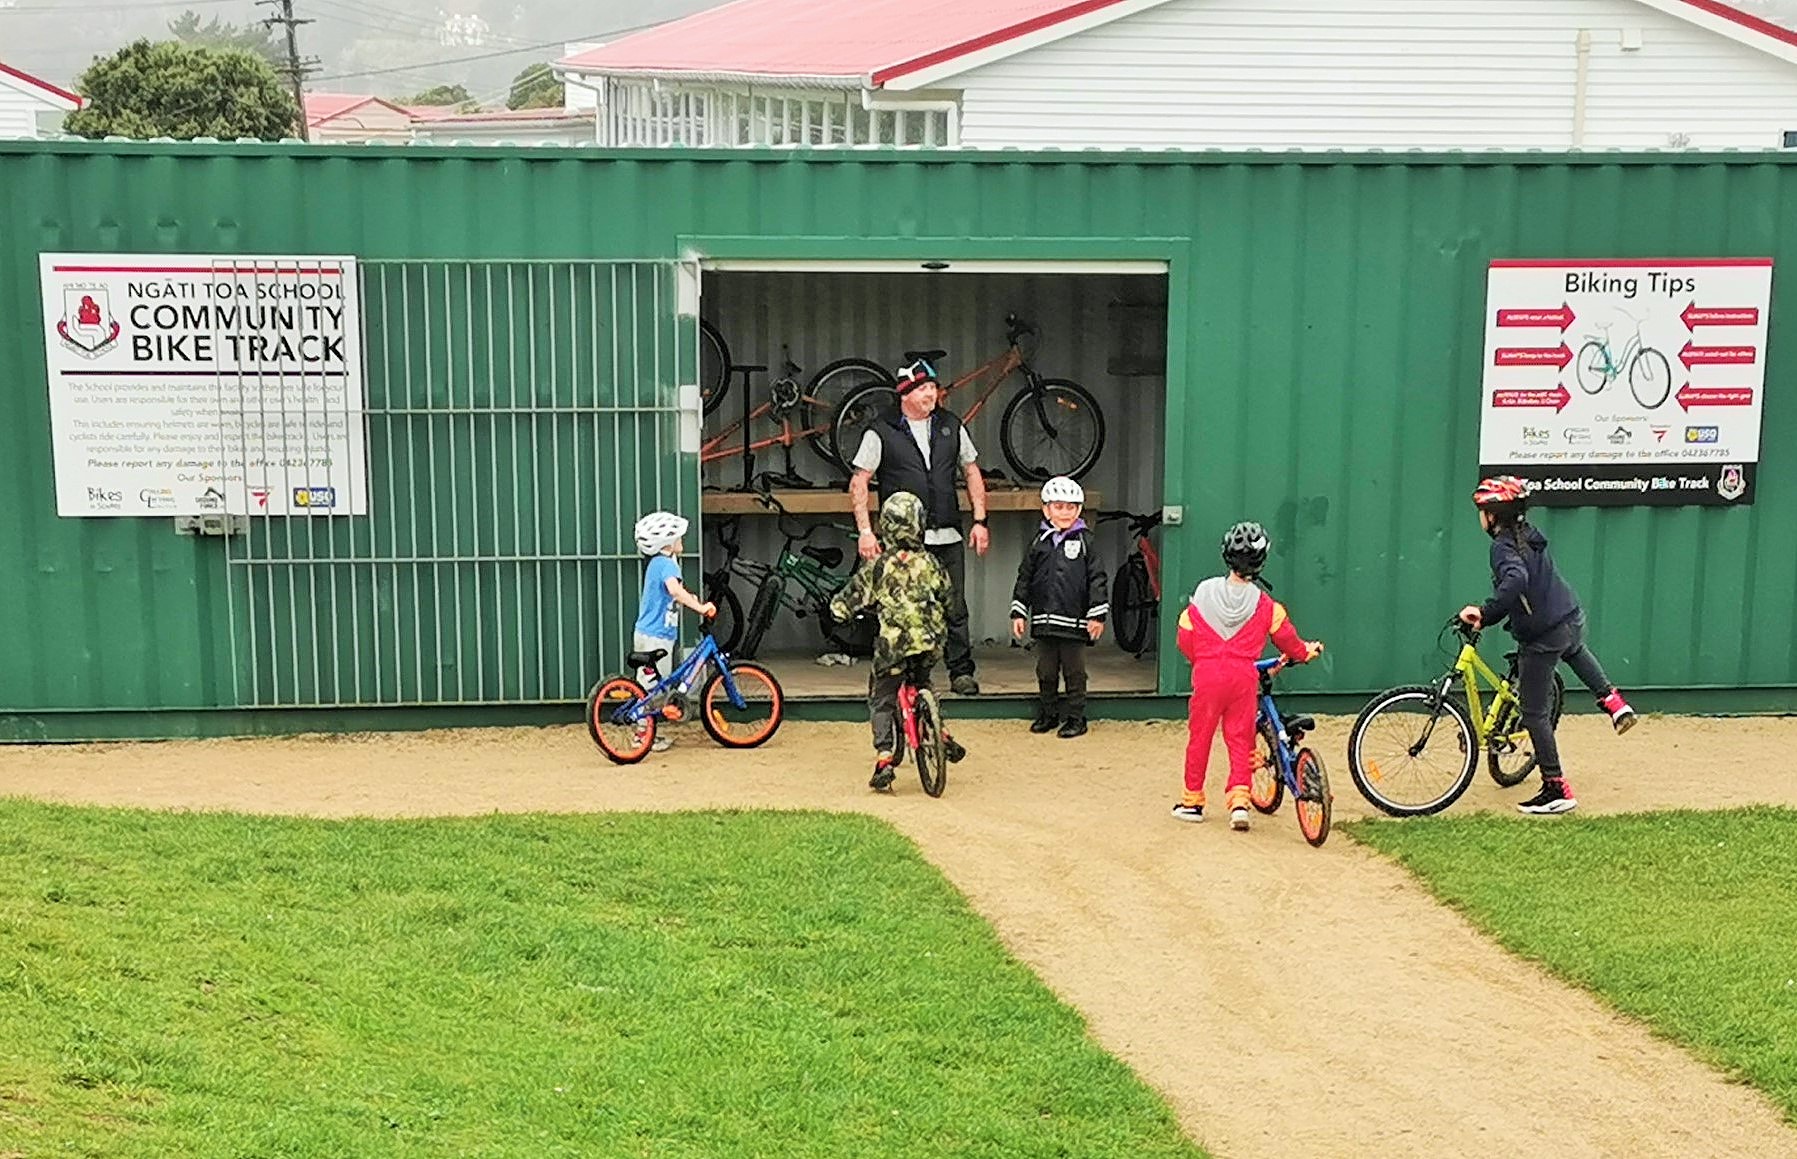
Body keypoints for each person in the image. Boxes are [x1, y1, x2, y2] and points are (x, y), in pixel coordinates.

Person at [1458, 475, 1636, 816]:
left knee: (1534, 713)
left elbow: (1516, 581)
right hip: (1568, 615)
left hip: (1542, 633)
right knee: (1574, 650)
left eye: (1482, 511)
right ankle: (1613, 701)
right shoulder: (1528, 535)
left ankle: (1556, 788)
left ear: (1493, 515)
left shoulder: (1502, 547)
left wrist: (1484, 612)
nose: (1480, 517)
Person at [848, 358, 989, 696]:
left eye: (932, 388)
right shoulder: (881, 430)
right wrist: (866, 531)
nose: (931, 394)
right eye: (923, 388)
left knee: (954, 605)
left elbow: (971, 470)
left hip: (948, 533)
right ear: (905, 394)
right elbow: (859, 481)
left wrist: (980, 520)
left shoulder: (951, 425)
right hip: (905, 543)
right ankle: (908, 678)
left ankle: (961, 673)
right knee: (906, 608)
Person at [1174, 522, 1322, 831]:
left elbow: (1184, 637)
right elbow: (1289, 642)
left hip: (1207, 674)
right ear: (1261, 561)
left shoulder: (1203, 593)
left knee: (1199, 737)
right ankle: (1239, 801)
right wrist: (1306, 652)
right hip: (1243, 677)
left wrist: (1202, 660)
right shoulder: (1266, 606)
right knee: (1240, 738)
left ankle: (1192, 801)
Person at [828, 491, 967, 790]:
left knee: (882, 699)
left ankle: (884, 757)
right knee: (923, 683)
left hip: (893, 647)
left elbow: (847, 601)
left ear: (886, 526)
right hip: (930, 642)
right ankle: (939, 732)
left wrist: (839, 612)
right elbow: (950, 599)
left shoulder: (879, 566)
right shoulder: (930, 563)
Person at [1010, 475, 1107, 738]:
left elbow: (1097, 578)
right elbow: (1025, 577)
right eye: (1058, 506)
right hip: (1044, 621)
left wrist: (1097, 614)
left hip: (1074, 624)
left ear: (1078, 510)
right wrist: (1019, 611)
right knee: (1046, 671)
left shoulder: (1086, 542)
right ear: (1046, 509)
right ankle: (1049, 713)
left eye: (1070, 507)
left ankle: (1076, 717)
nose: (1065, 512)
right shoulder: (1038, 542)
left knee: (1074, 672)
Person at [632, 511, 715, 753]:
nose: (682, 540)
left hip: (654, 633)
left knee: (655, 683)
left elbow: (676, 592)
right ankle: (642, 736)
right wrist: (699, 607)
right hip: (656, 636)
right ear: (667, 542)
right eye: (678, 536)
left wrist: (690, 599)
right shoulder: (666, 564)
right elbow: (675, 591)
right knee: (651, 687)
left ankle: (647, 731)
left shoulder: (659, 564)